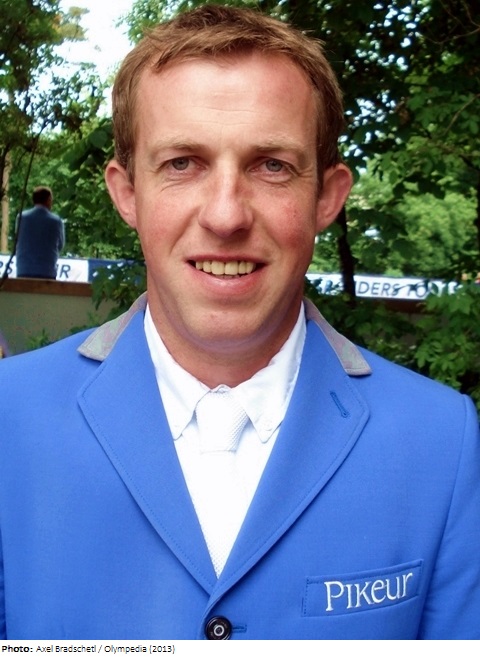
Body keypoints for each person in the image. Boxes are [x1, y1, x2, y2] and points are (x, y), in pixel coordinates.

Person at [0, 5, 479, 641]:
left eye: (271, 165)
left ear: (327, 197)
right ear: (128, 194)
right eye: (182, 163)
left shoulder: (442, 441)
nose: (226, 216)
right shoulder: (9, 418)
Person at [15, 185, 65, 279]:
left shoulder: (21, 217)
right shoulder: (56, 221)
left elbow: (17, 241)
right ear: (48, 200)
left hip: (23, 270)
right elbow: (60, 245)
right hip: (47, 271)